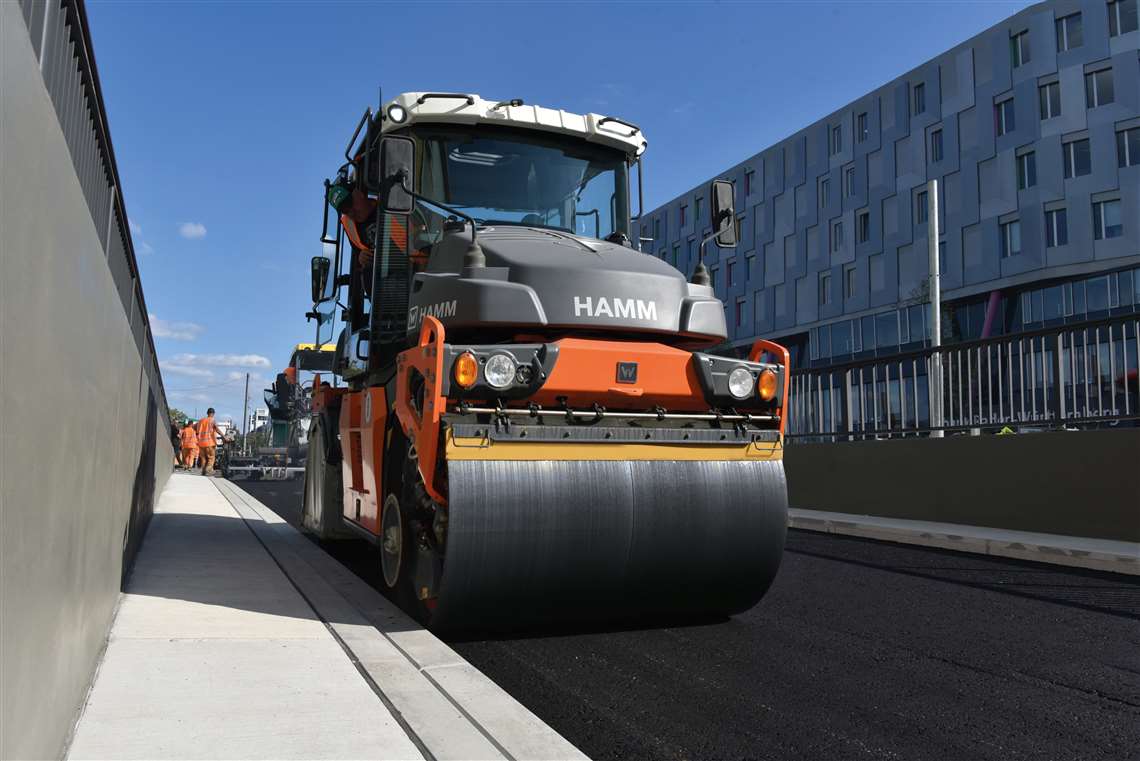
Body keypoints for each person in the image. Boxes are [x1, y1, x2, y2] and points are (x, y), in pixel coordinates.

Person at [196, 408, 218, 476]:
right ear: (213, 413)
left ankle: (203, 471)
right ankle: (208, 470)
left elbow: (196, 430)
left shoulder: (201, 420)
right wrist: (224, 437)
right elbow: (217, 429)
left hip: (201, 443)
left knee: (203, 458)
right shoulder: (212, 420)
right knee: (211, 458)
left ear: (207, 413)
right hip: (210, 443)